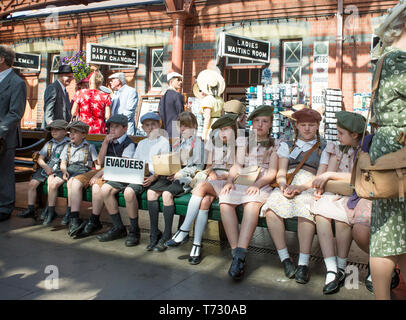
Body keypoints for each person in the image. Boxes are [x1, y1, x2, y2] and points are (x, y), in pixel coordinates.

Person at [260, 108, 329, 284]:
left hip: (309, 184)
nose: (307, 129)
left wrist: (300, 187)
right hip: (289, 182)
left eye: (311, 125)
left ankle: (303, 263)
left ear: (317, 126)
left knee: (305, 211)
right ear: (296, 125)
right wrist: (283, 184)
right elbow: (281, 172)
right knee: (271, 208)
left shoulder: (325, 147)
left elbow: (320, 176)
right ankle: (285, 258)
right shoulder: (287, 145)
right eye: (303, 125)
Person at [365, 1, 406, 299]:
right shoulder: (400, 61)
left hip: (387, 148)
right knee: (391, 232)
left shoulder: (384, 58)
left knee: (391, 232)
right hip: (400, 150)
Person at [166, 113, 241, 265]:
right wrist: (212, 173)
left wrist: (225, 177)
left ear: (234, 129)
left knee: (200, 187)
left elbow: (238, 169)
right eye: (220, 130)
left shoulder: (241, 146)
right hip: (214, 180)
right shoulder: (214, 143)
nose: (222, 133)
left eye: (226, 129)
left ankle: (184, 230)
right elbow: (208, 167)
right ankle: (196, 246)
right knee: (205, 201)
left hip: (231, 183)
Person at [309, 111, 366, 294]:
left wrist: (329, 175)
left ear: (354, 135)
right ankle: (331, 267)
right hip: (336, 193)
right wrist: (321, 185)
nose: (338, 136)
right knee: (321, 212)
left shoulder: (364, 151)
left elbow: (357, 178)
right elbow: (326, 175)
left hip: (354, 196)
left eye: (341, 133)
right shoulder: (335, 148)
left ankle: (341, 267)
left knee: (342, 219)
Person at [219, 105, 279, 280]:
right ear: (252, 124)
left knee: (251, 202)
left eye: (265, 121)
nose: (260, 125)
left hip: (262, 181)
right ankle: (236, 253)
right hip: (244, 178)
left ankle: (239, 255)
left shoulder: (276, 144)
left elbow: (272, 172)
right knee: (224, 198)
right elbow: (237, 166)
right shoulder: (244, 142)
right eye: (257, 121)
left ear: (270, 125)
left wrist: (258, 184)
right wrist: (230, 181)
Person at [147, 112, 205, 252]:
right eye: (181, 126)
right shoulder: (178, 142)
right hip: (172, 176)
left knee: (167, 194)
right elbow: (173, 160)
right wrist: (168, 168)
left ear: (194, 126)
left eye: (186, 126)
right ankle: (154, 233)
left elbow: (198, 168)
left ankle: (167, 235)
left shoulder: (198, 143)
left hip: (186, 179)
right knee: (151, 192)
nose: (183, 129)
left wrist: (180, 173)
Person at [76, 114, 137, 240]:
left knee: (97, 186)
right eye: (110, 127)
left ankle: (97, 221)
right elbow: (99, 162)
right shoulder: (109, 141)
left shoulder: (128, 144)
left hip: (120, 173)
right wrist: (104, 143)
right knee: (79, 181)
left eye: (116, 127)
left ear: (125, 128)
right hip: (106, 170)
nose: (112, 130)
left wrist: (99, 173)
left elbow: (122, 165)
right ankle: (83, 219)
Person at [18, 120, 70, 223]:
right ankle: (31, 209)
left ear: (65, 132)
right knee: (32, 184)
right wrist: (45, 167)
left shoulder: (69, 144)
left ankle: (50, 210)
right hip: (48, 167)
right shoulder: (49, 143)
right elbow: (40, 159)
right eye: (52, 130)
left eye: (57, 130)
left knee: (52, 183)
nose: (53, 132)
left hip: (61, 168)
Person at [55, 121, 99, 236]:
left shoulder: (90, 147)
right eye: (70, 133)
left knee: (72, 183)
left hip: (83, 170)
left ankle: (72, 215)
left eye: (75, 132)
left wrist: (96, 174)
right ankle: (71, 216)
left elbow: (97, 164)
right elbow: (63, 163)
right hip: (70, 169)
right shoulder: (67, 147)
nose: (71, 135)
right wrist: (64, 171)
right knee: (64, 181)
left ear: (84, 135)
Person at [0, 45, 27, 222]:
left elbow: (16, 112)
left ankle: (5, 207)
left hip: (5, 137)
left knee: (4, 173)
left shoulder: (17, 83)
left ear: (2, 59)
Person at [194, 69, 225, 141]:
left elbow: (207, 118)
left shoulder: (207, 100)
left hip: (211, 127)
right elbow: (222, 114)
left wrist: (204, 134)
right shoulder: (220, 100)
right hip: (219, 126)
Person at [42, 64, 74, 129]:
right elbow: (48, 108)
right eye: (68, 77)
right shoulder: (53, 88)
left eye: (71, 77)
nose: (71, 79)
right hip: (54, 129)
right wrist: (51, 124)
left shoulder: (65, 91)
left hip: (62, 129)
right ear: (60, 76)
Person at [158, 72, 185, 138]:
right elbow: (181, 115)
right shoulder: (177, 96)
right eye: (178, 80)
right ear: (171, 81)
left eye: (181, 80)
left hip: (164, 131)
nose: (180, 82)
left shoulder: (163, 97)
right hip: (176, 131)